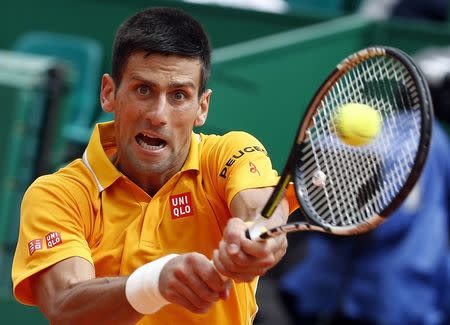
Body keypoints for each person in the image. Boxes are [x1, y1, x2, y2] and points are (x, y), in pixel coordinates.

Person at [11, 7, 289, 325]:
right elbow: (65, 304)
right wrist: (154, 283)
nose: (158, 115)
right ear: (109, 93)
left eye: (178, 95)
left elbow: (263, 208)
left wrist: (260, 237)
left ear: (202, 107)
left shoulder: (228, 154)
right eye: (144, 90)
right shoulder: (58, 194)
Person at [279, 120, 450, 325]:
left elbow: (390, 221)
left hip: (384, 299)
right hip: (371, 298)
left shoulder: (419, 139)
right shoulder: (416, 137)